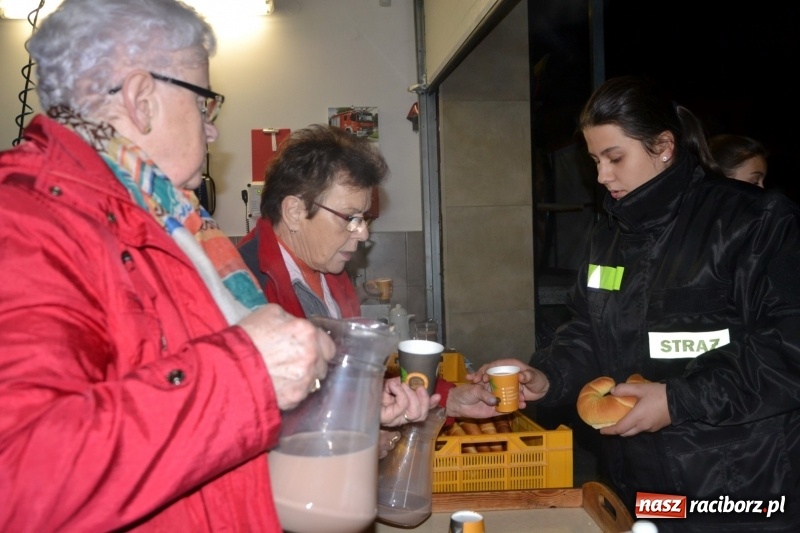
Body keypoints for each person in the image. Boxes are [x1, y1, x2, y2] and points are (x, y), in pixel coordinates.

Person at [0, 1, 336, 531]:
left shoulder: (167, 221)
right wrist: (249, 370)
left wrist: (330, 404)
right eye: (206, 105)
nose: (211, 131)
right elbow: (17, 485)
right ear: (141, 99)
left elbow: (192, 412)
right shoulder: (23, 223)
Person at [472, 76, 800, 532]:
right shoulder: (609, 234)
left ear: (664, 146)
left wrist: (676, 400)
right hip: (640, 482)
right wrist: (549, 377)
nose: (603, 176)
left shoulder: (754, 220)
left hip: (738, 486)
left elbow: (787, 350)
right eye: (595, 161)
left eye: (615, 157)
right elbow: (586, 328)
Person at [237, 124, 505, 455]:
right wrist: (351, 434)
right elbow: (246, 416)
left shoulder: (332, 273)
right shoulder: (243, 285)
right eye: (349, 218)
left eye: (364, 219)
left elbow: (346, 378)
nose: (362, 234)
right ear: (294, 211)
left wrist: (449, 399)